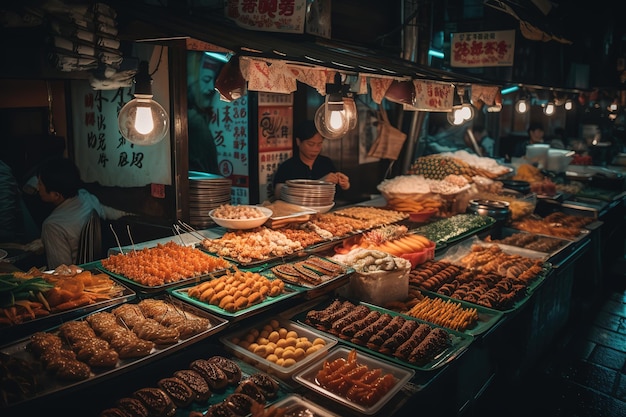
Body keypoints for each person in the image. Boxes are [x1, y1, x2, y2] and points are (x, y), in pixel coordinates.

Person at [37, 156, 132, 269]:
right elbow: (109, 213)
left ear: (56, 195)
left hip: (80, 278)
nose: (37, 188)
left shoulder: (52, 226)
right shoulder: (85, 196)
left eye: (40, 184)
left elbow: (61, 273)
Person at [273, 120, 350, 199]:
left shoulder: (326, 163)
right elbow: (278, 193)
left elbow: (338, 194)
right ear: (298, 142)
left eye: (319, 144)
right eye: (311, 144)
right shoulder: (287, 167)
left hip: (325, 209)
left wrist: (345, 185)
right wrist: (319, 183)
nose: (316, 149)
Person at [187, 52, 221, 174]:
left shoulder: (197, 119)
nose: (212, 87)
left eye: (216, 82)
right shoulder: (194, 121)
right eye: (206, 79)